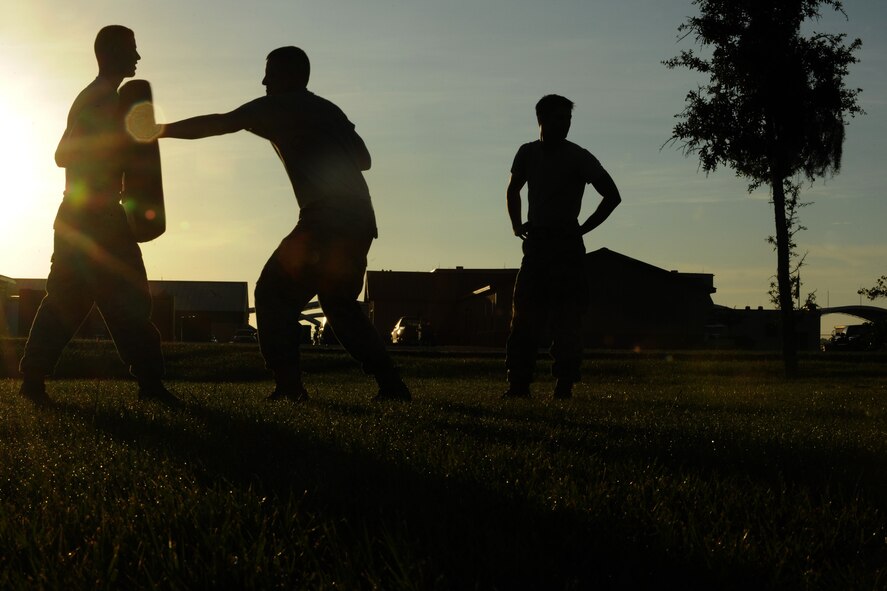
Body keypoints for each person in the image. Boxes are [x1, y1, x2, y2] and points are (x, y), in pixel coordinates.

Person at [158, 46, 411, 402]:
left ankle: (289, 386)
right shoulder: (328, 109)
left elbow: (219, 123)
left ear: (291, 76)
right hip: (360, 219)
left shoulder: (278, 106)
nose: (263, 81)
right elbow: (364, 159)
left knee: (273, 293)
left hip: (326, 217)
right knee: (338, 303)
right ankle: (391, 384)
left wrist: (157, 130)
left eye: (270, 73)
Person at [18, 25, 181, 407]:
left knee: (76, 299)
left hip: (92, 215)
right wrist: (114, 143)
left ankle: (34, 379)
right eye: (132, 50)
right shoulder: (98, 99)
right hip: (91, 216)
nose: (138, 58)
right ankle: (150, 384)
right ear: (110, 52)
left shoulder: (107, 98)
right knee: (121, 298)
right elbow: (63, 154)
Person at [504, 94, 622, 399]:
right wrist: (517, 226)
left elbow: (612, 195)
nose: (564, 125)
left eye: (568, 119)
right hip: (537, 245)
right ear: (541, 120)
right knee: (524, 317)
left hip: (567, 245)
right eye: (558, 118)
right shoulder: (527, 153)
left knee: (567, 319)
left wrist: (584, 227)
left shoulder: (578, 156)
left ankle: (564, 386)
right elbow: (513, 189)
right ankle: (518, 385)